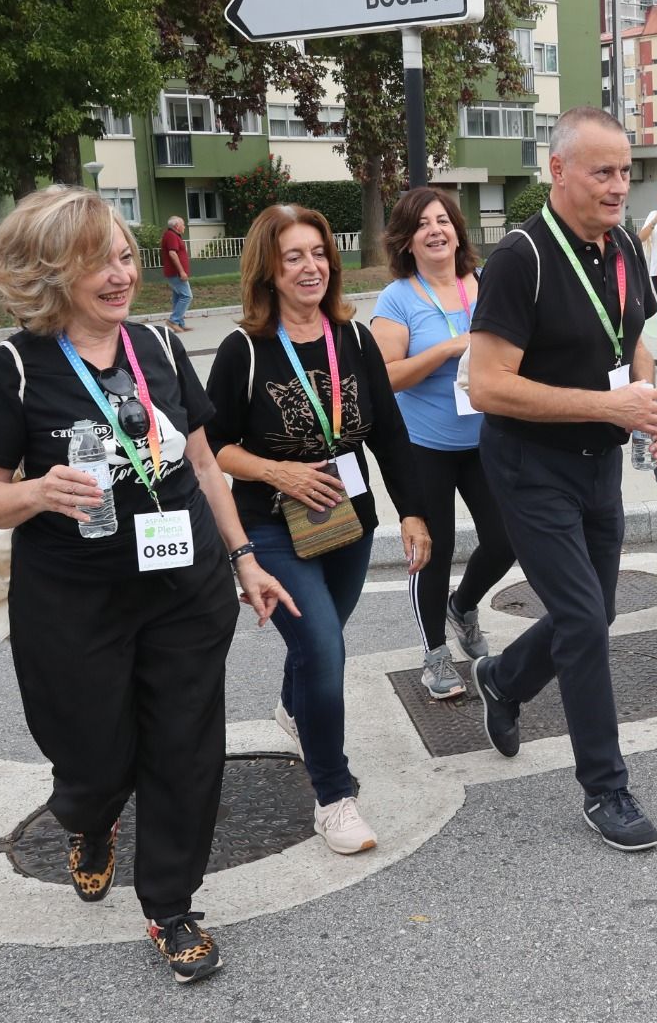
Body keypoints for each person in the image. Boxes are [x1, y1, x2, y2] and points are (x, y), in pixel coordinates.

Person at [0, 187, 296, 985]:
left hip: (186, 586)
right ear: (51, 270)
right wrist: (36, 492)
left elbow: (205, 464)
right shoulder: (12, 368)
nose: (121, 273)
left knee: (185, 747)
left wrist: (244, 558)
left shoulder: (161, 347)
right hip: (73, 602)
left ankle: (171, 905)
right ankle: (89, 815)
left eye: (125, 255)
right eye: (97, 259)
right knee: (93, 753)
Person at [465, 107, 657, 852]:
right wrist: (607, 403)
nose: (620, 186)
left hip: (600, 461)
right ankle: (605, 789)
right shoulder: (521, 258)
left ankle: (505, 679)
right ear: (558, 172)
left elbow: (635, 334)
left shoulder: (623, 245)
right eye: (603, 172)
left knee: (598, 611)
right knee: (583, 620)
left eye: (625, 171)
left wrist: (644, 402)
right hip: (528, 464)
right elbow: (486, 386)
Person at [204, 204, 431, 858]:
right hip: (271, 527)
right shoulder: (243, 350)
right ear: (269, 270)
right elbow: (213, 446)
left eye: (318, 254)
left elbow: (388, 432)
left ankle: (294, 709)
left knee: (315, 645)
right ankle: (334, 798)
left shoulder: (352, 338)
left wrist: (412, 510)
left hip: (348, 522)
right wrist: (280, 472)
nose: (310, 267)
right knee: (326, 649)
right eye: (293, 256)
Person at [369, 187, 516, 700]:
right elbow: (384, 377)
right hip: (424, 445)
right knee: (435, 549)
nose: (435, 231)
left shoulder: (486, 284)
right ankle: (434, 653)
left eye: (443, 221)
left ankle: (464, 605)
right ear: (407, 241)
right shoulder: (399, 298)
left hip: (486, 438)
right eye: (422, 225)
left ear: (458, 230)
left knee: (507, 537)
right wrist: (450, 348)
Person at [160, 216, 193, 333]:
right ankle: (173, 321)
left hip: (175, 272)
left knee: (178, 297)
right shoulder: (171, 235)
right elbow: (172, 254)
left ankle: (180, 323)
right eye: (183, 224)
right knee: (187, 296)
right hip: (176, 273)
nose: (184, 226)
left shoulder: (173, 235)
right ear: (176, 226)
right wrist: (181, 271)